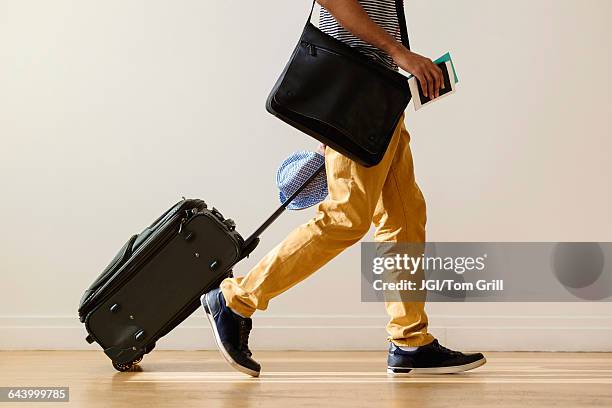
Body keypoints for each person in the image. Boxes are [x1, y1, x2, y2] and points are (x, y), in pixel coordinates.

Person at [201, 0, 486, 377]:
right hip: (357, 90)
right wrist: (399, 53)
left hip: (375, 92)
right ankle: (236, 299)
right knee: (346, 217)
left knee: (404, 217)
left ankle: (410, 341)